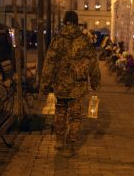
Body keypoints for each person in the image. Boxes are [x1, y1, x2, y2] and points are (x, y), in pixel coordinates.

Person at [40, 11, 101, 158]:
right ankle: (70, 145)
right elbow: (93, 62)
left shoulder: (57, 40)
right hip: (78, 86)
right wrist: (95, 82)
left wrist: (45, 84)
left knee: (60, 111)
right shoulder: (84, 40)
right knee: (75, 116)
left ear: (64, 22)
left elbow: (49, 62)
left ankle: (59, 141)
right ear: (76, 22)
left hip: (60, 85)